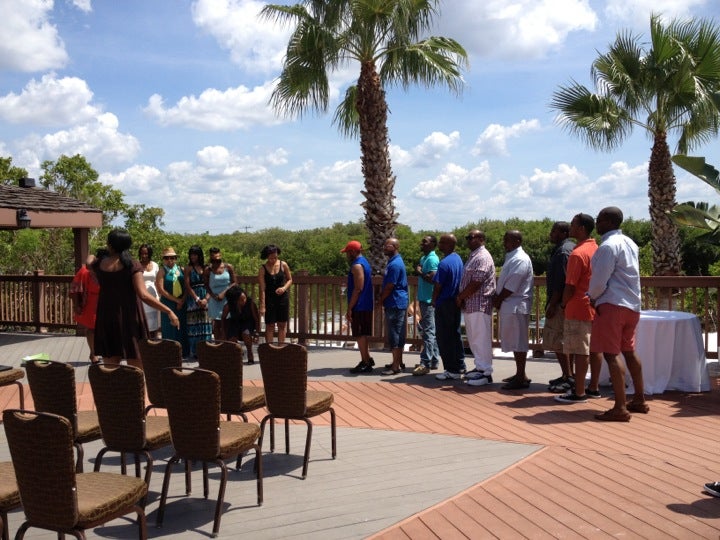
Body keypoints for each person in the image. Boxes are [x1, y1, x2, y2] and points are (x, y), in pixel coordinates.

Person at [588, 207, 648, 421]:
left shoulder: (607, 246)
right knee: (629, 351)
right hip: (632, 305)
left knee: (611, 354)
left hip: (612, 304)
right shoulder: (630, 242)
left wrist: (592, 297)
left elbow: (599, 280)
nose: (597, 223)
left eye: (599, 219)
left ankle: (620, 407)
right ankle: (639, 399)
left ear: (608, 221)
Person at [92, 229, 179, 368]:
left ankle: (114, 390)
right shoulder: (131, 265)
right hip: (129, 316)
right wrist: (168, 310)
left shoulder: (100, 264)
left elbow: (89, 260)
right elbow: (143, 294)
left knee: (111, 368)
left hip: (106, 316)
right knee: (136, 366)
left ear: (110, 244)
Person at [555, 213, 603, 404]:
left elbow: (570, 285)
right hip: (593, 306)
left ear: (581, 228)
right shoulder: (596, 249)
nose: (570, 228)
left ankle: (579, 391)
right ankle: (594, 387)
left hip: (578, 307)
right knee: (594, 349)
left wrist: (564, 303)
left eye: (573, 225)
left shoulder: (578, 254)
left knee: (580, 351)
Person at [494, 230, 534, 390]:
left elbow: (511, 286)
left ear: (517, 240)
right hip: (510, 305)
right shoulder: (513, 257)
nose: (504, 243)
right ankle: (520, 374)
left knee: (519, 343)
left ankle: (521, 377)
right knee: (515, 341)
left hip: (516, 305)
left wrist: (498, 299)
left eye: (507, 240)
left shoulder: (520, 259)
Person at [457, 230, 496, 386]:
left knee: (481, 339)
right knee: (474, 339)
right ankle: (479, 368)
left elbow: (477, 282)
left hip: (480, 304)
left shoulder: (483, 257)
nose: (468, 240)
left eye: (471, 238)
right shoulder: (473, 256)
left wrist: (461, 297)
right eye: (467, 238)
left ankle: (486, 373)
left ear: (481, 239)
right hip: (471, 305)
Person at [545, 221, 575, 393]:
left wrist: (554, 304)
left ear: (564, 233)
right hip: (564, 303)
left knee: (559, 342)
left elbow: (561, 282)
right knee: (564, 342)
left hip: (560, 304)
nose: (551, 234)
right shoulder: (569, 248)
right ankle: (566, 375)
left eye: (554, 231)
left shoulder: (563, 251)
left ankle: (568, 377)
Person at [433, 234, 466, 380]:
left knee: (444, 337)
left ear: (447, 244)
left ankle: (451, 369)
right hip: (455, 302)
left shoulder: (444, 263)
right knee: (455, 335)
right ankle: (460, 365)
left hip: (445, 302)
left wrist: (434, 300)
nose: (439, 244)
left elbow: (438, 285)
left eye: (441, 242)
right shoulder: (457, 259)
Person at [344, 240, 375, 374]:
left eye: (347, 253)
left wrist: (350, 307)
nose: (346, 256)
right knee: (363, 334)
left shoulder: (357, 266)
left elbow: (358, 288)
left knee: (360, 334)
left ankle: (365, 362)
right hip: (366, 304)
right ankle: (367, 358)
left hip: (360, 305)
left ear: (352, 252)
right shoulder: (365, 262)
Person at [380, 238, 409, 375]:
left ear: (395, 246)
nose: (385, 247)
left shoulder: (395, 264)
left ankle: (395, 367)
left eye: (388, 245)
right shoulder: (393, 262)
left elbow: (390, 286)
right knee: (397, 332)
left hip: (395, 302)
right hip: (396, 302)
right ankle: (398, 362)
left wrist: (380, 300)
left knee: (395, 334)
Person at [412, 235, 440, 375]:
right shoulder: (424, 258)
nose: (421, 243)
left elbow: (433, 278)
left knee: (428, 332)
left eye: (425, 241)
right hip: (423, 299)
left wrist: (420, 272)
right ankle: (434, 360)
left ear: (433, 244)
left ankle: (425, 363)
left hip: (429, 300)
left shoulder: (433, 259)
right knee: (429, 331)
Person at [156, 247, 189, 357]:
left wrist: (182, 300)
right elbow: (161, 290)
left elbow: (186, 286)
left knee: (182, 327)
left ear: (175, 258)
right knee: (169, 328)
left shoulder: (181, 269)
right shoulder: (162, 271)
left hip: (181, 303)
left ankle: (184, 351)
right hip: (168, 303)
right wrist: (176, 300)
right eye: (167, 258)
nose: (169, 260)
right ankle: (169, 352)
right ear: (163, 259)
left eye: (172, 258)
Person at [69, 252, 101, 364]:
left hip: (104, 302)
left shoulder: (107, 270)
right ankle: (93, 353)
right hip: (90, 302)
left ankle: (101, 350)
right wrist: (76, 305)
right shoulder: (87, 270)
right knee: (91, 328)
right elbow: (74, 289)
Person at [258, 244, 293, 343]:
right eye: (270, 258)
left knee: (282, 325)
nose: (273, 260)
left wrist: (284, 288)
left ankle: (280, 348)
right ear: (267, 256)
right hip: (269, 299)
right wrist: (262, 305)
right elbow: (262, 288)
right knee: (270, 325)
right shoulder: (262, 269)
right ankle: (270, 349)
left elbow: (290, 279)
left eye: (275, 257)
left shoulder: (283, 264)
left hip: (282, 298)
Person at [184, 245, 212, 358]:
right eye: (191, 254)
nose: (193, 256)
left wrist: (206, 299)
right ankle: (195, 352)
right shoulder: (188, 268)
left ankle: (206, 350)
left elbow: (210, 285)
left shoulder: (206, 268)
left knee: (206, 324)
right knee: (194, 325)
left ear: (199, 255)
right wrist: (197, 299)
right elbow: (187, 285)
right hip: (193, 299)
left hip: (206, 296)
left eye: (195, 254)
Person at [222, 285, 260, 364]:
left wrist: (256, 333)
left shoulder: (251, 303)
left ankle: (250, 354)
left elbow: (257, 319)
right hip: (235, 322)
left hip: (248, 323)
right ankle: (237, 354)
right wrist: (224, 332)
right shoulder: (229, 305)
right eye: (241, 300)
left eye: (245, 298)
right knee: (231, 337)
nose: (244, 300)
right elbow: (223, 318)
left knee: (246, 333)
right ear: (235, 300)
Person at [204, 247, 235, 341]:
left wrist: (224, 293)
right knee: (217, 324)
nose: (216, 260)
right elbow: (206, 286)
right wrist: (213, 296)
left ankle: (227, 344)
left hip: (227, 299)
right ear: (210, 257)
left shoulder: (228, 267)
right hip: (214, 300)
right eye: (214, 258)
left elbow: (234, 282)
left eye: (218, 257)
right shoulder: (208, 270)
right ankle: (218, 345)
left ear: (220, 255)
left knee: (227, 323)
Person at [138, 244, 161, 338]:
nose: (144, 255)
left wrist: (159, 295)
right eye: (142, 253)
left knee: (154, 323)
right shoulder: (137, 265)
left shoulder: (155, 265)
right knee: (143, 321)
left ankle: (153, 344)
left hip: (153, 296)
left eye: (146, 253)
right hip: (141, 296)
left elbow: (158, 281)